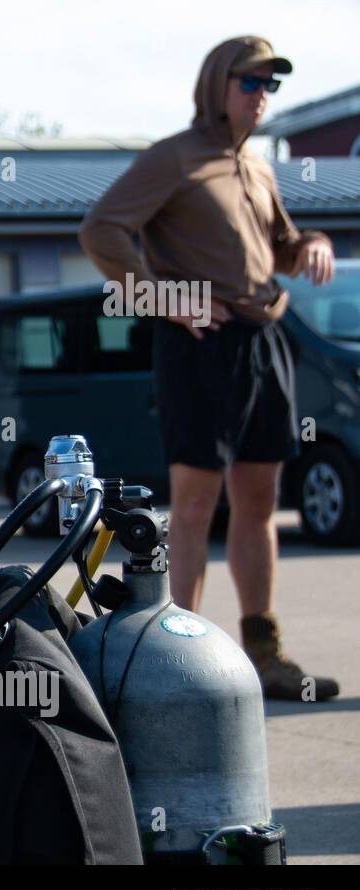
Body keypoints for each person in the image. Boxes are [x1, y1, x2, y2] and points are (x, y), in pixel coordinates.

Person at [78, 36, 339, 701]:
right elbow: (102, 229)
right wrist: (163, 296)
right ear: (218, 85)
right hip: (200, 346)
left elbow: (281, 247)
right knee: (195, 504)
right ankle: (177, 661)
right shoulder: (175, 158)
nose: (261, 97)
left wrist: (311, 243)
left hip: (264, 339)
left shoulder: (255, 166)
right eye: (251, 83)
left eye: (270, 87)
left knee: (260, 502)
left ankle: (264, 654)